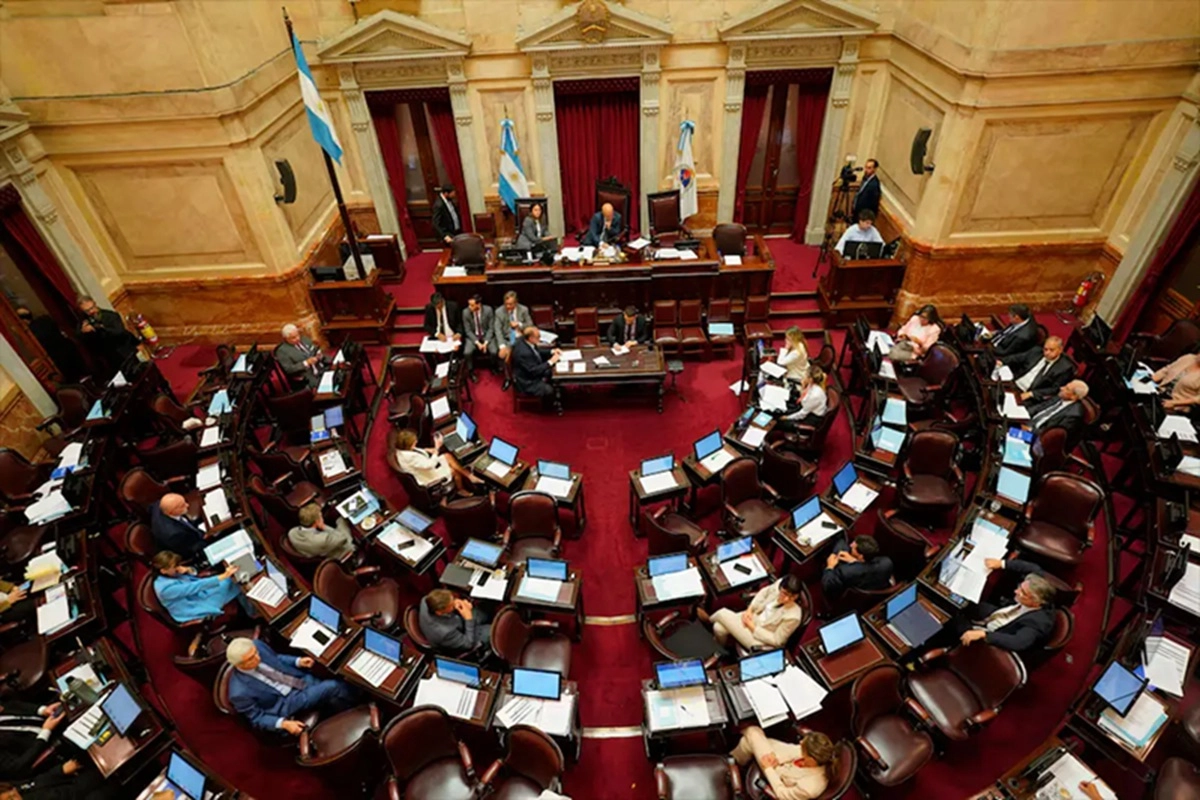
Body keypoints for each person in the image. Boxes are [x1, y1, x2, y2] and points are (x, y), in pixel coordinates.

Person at [225, 638, 357, 734]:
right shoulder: (238, 693)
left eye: (256, 653)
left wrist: (297, 661)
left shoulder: (257, 645)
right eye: (251, 659)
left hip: (297, 678)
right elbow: (256, 718)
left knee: (333, 695)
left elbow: (276, 658)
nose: (257, 658)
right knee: (333, 686)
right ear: (239, 664)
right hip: (286, 701)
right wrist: (284, 724)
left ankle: (346, 713)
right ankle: (359, 704)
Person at [954, 557, 1057, 653]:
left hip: (998, 632)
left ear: (1036, 602)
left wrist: (985, 635)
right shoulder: (1037, 585)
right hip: (1000, 614)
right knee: (965, 605)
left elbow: (1018, 642)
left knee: (955, 618)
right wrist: (1002, 564)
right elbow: (1034, 568)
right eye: (1020, 587)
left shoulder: (1037, 624)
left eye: (1023, 593)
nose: (1016, 591)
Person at [699, 574, 805, 649]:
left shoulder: (794, 616)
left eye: (792, 597)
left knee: (722, 613)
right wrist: (750, 609)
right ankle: (722, 650)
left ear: (797, 596)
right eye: (784, 593)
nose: (786, 599)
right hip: (754, 617)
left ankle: (707, 620)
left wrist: (752, 627)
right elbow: (763, 593)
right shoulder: (779, 585)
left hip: (760, 639)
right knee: (718, 628)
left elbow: (777, 641)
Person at [730, 725, 836, 800]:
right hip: (778, 760)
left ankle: (731, 761)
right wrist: (777, 758)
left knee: (752, 731)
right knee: (746, 742)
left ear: (811, 759)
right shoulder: (814, 755)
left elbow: (781, 794)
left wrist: (769, 769)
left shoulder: (810, 787)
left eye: (803, 746)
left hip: (775, 774)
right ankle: (733, 761)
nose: (800, 742)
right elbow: (790, 750)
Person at [393, 428, 482, 496]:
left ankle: (469, 476)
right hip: (428, 477)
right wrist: (437, 448)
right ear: (407, 444)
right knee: (454, 471)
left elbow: (415, 451)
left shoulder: (402, 450)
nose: (416, 441)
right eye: (414, 442)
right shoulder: (409, 458)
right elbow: (430, 465)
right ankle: (461, 489)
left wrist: (426, 450)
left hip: (424, 468)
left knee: (447, 456)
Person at [15, 306, 85, 382]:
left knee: (74, 379)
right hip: (68, 348)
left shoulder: (30, 333)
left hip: (58, 358)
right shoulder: (45, 319)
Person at [0, 700, 66, 779]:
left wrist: (42, 710)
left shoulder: (3, 707)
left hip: (51, 716)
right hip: (54, 746)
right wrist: (46, 731)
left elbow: (13, 704)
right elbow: (18, 766)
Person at [76, 297, 138, 377]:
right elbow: (79, 337)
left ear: (95, 304)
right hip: (108, 358)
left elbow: (119, 331)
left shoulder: (110, 315)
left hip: (124, 351)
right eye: (87, 311)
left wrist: (100, 327)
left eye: (92, 308)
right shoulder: (85, 321)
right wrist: (83, 332)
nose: (91, 311)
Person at [820, 534, 893, 600]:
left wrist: (830, 567)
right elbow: (866, 567)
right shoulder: (887, 562)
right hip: (876, 589)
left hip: (852, 598)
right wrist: (855, 561)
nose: (850, 545)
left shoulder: (846, 572)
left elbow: (828, 586)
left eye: (853, 547)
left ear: (861, 556)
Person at [418, 588, 490, 654]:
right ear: (439, 612)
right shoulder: (445, 633)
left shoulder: (425, 600)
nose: (454, 603)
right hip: (461, 636)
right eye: (451, 605)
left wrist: (458, 602)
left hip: (457, 620)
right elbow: (468, 644)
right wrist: (468, 618)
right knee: (492, 631)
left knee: (485, 608)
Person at [1004, 336, 1074, 402]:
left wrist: (1032, 394)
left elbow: (1055, 389)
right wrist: (1002, 361)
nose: (1047, 353)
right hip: (1013, 383)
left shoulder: (1065, 368)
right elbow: (1018, 358)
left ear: (1060, 350)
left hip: (1028, 395)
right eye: (1045, 349)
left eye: (1051, 350)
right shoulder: (1037, 351)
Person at [287, 502, 354, 560]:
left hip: (317, 549)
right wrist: (325, 526)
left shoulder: (292, 533)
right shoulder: (322, 540)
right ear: (317, 521)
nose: (322, 517)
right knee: (343, 522)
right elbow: (343, 538)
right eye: (320, 516)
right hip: (341, 552)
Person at [493, 290, 534, 387]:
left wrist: (519, 324)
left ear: (516, 303)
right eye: (506, 304)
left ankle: (523, 377)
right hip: (507, 339)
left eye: (510, 304)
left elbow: (530, 325)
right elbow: (497, 330)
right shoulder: (499, 312)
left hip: (521, 338)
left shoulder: (523, 310)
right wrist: (502, 346)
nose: (508, 306)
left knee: (521, 354)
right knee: (504, 355)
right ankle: (508, 378)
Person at [150, 493, 206, 560]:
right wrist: (208, 536)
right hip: (187, 547)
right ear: (172, 512)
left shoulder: (160, 504)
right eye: (182, 506)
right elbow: (191, 549)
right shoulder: (174, 534)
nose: (187, 505)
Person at [512, 326, 561, 399]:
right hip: (528, 382)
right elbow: (534, 371)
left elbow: (536, 351)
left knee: (552, 372)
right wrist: (550, 362)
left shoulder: (525, 340)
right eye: (538, 337)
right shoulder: (524, 353)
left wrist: (551, 351)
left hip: (531, 371)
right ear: (531, 338)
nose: (540, 339)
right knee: (549, 390)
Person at [276, 323, 327, 390]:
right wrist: (306, 363)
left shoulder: (304, 339)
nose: (297, 338)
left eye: (298, 335)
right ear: (285, 339)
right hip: (307, 376)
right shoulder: (282, 351)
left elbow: (314, 348)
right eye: (293, 338)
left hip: (320, 367)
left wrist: (319, 354)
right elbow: (289, 369)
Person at [778, 366, 827, 431]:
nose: (804, 376)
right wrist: (803, 387)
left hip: (812, 418)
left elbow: (802, 414)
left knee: (780, 423)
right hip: (807, 409)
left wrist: (787, 418)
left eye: (805, 374)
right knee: (782, 411)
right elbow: (803, 401)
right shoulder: (811, 385)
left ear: (810, 379)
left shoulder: (815, 395)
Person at [461, 294, 497, 381]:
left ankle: (493, 366)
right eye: (469, 305)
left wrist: (486, 342)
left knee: (494, 351)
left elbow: (491, 328)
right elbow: (468, 331)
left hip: (486, 335)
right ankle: (471, 371)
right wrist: (477, 343)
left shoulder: (488, 310)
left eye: (472, 305)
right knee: (467, 352)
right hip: (473, 336)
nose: (469, 307)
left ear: (479, 304)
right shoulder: (465, 312)